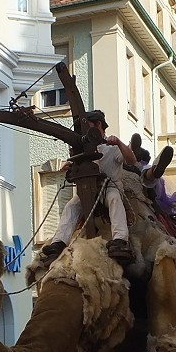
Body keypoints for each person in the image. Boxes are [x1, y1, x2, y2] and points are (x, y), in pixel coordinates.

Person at [40, 110, 136, 262]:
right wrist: (70, 166)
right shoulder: (83, 150)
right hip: (86, 190)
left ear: (98, 125)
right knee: (71, 206)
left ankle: (120, 240)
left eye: (87, 127)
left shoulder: (113, 148)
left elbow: (131, 160)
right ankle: (58, 243)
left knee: (114, 199)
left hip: (109, 188)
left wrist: (118, 142)